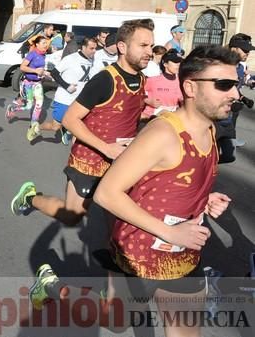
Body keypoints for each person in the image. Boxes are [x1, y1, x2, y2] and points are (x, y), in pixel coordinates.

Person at [30, 45, 239, 337]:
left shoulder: (210, 130)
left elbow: (178, 179)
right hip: (138, 256)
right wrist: (169, 233)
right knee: (116, 322)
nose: (235, 94)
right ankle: (54, 287)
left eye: (236, 85)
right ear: (191, 87)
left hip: (183, 255)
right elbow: (106, 193)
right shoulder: (163, 133)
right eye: (224, 85)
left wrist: (204, 198)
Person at [10, 19, 154, 226]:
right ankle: (30, 198)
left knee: (119, 215)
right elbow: (70, 119)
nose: (149, 51)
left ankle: (112, 256)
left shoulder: (141, 79)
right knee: (72, 215)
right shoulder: (104, 80)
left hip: (122, 159)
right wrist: (107, 148)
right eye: (143, 45)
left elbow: (125, 115)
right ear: (122, 47)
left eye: (150, 45)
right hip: (91, 161)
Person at [40, 36, 97, 145]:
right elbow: (54, 73)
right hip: (65, 99)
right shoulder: (70, 59)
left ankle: (70, 135)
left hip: (80, 100)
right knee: (55, 126)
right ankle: (37, 127)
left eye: (95, 48)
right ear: (83, 47)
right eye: (91, 48)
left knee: (81, 124)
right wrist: (67, 86)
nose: (94, 51)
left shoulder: (93, 59)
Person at [5, 35, 49, 141]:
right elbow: (22, 67)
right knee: (29, 106)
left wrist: (45, 73)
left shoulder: (44, 55)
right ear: (37, 45)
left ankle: (33, 125)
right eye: (43, 43)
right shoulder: (32, 54)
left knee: (39, 104)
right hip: (28, 83)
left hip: (38, 83)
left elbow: (40, 69)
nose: (45, 45)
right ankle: (13, 108)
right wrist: (35, 71)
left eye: (46, 43)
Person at [142, 50, 183, 120]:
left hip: (171, 119)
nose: (178, 64)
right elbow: (136, 95)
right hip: (150, 119)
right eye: (175, 62)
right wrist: (148, 100)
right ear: (165, 64)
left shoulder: (181, 82)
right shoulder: (152, 80)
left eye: (180, 62)